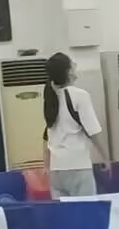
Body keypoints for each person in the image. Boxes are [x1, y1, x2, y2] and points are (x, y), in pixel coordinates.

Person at [42, 51, 103, 198]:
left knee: (63, 211)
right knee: (85, 209)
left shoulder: (50, 96)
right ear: (68, 71)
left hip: (56, 169)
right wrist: (105, 157)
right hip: (78, 165)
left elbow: (46, 135)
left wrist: (46, 165)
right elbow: (93, 131)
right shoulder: (80, 95)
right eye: (72, 64)